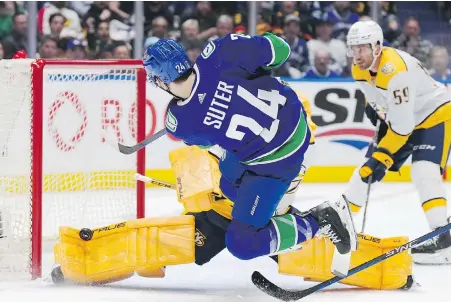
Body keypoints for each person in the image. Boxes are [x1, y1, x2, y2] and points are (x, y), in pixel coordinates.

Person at [143, 33, 357, 262]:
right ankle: (275, 219)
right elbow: (281, 49)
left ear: (161, 79)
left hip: (278, 162)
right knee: (227, 180)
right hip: (295, 120)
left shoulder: (180, 122)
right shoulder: (220, 50)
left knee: (242, 243)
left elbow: (202, 139)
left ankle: (320, 220)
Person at [344, 20, 451, 264]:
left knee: (424, 171)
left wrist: (382, 156)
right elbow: (379, 103)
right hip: (403, 115)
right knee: (365, 170)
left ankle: (443, 240)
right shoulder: (359, 69)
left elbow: (402, 129)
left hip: (433, 113)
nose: (357, 55)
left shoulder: (396, 71)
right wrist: (376, 110)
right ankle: (341, 224)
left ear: (377, 47)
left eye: (362, 48)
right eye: (353, 48)